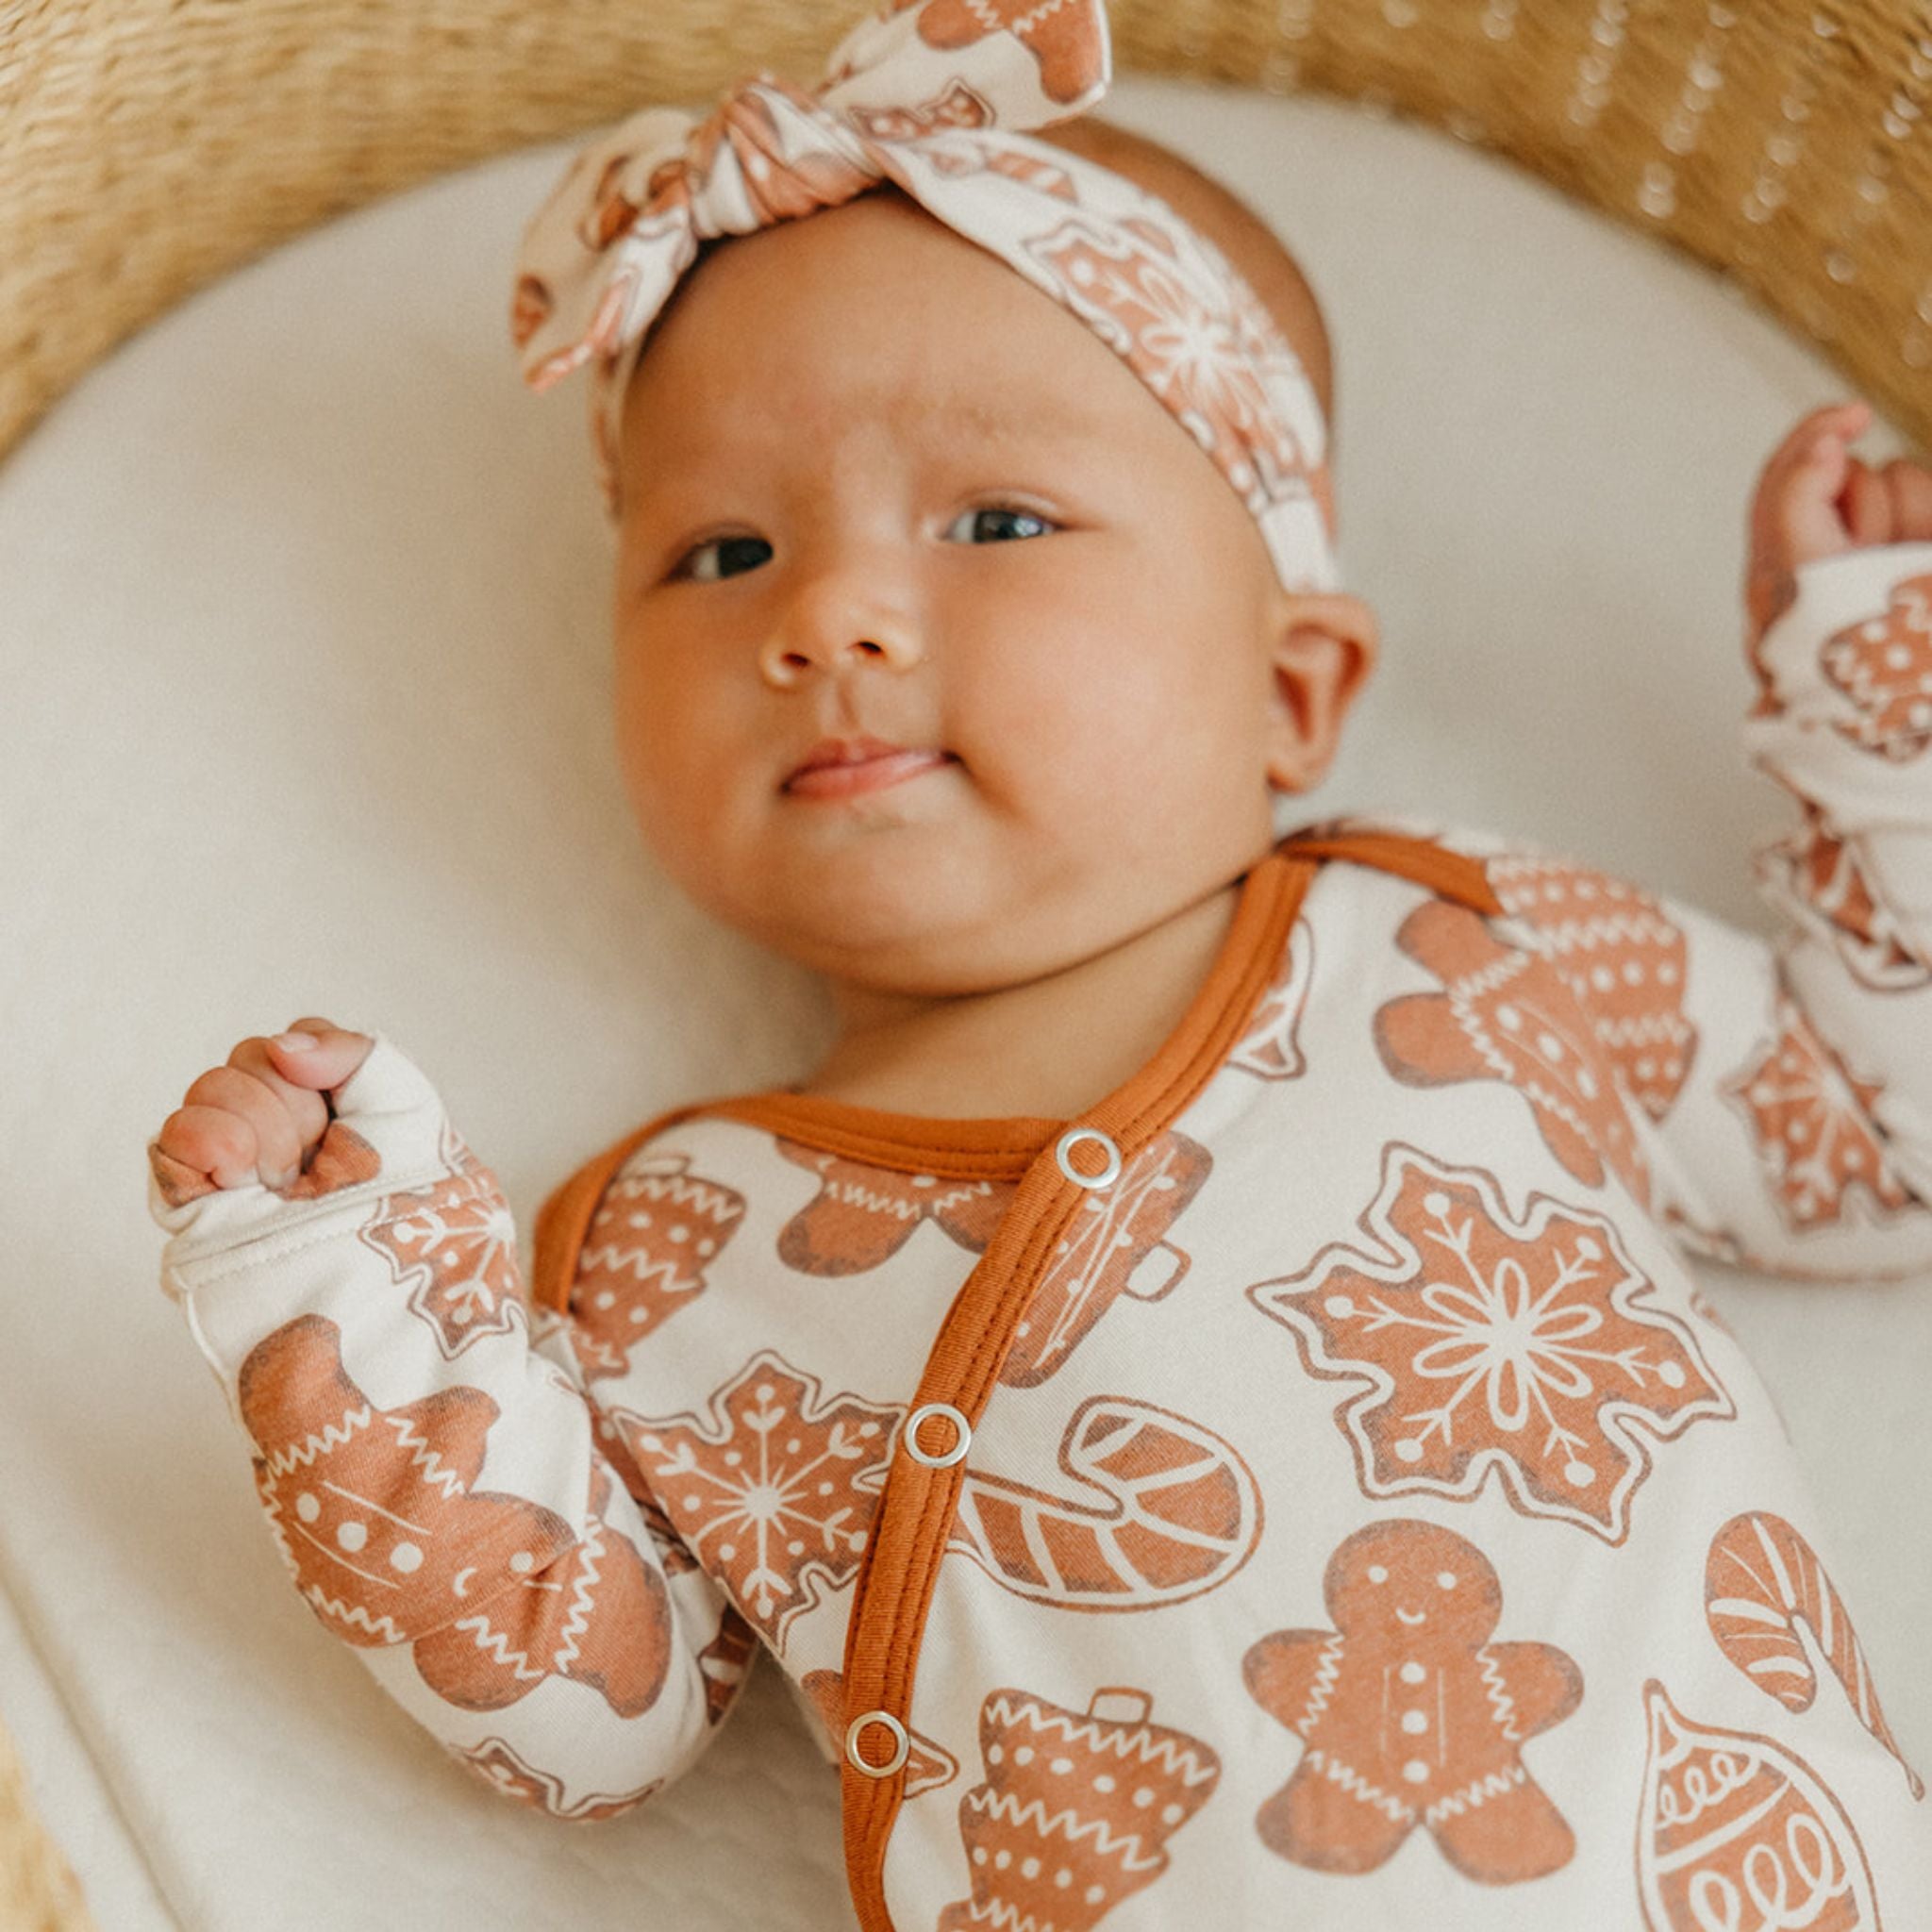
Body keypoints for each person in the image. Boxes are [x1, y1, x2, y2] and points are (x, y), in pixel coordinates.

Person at [145, 0, 1932, 1923]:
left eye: (996, 518)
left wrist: (1879, 715)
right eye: (722, 554)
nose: (828, 612)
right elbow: (594, 1715)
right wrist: (346, 1313)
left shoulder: (1458, 942)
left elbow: (1869, 1127)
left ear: (1288, 686)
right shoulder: (667, 1236)